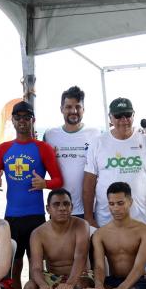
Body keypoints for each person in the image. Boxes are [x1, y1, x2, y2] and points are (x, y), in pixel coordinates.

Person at [0, 101, 63, 289]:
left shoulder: (43, 148)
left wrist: (44, 184)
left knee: (36, 268)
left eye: (26, 117)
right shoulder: (3, 149)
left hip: (36, 217)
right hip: (12, 217)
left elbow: (58, 181)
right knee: (13, 267)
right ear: (12, 120)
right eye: (18, 117)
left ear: (33, 120)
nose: (22, 121)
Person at [82, 97, 146, 236]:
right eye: (118, 116)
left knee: (143, 258)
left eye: (127, 115)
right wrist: (89, 218)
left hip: (139, 222)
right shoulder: (98, 143)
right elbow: (88, 185)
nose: (123, 120)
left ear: (133, 115)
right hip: (105, 223)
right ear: (110, 118)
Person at [86, 182, 146, 289]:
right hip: (113, 280)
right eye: (111, 204)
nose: (116, 208)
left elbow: (139, 267)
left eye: (120, 203)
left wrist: (122, 288)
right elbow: (99, 266)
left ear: (130, 202)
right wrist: (98, 284)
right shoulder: (100, 234)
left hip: (138, 281)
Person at [23, 188, 93, 289]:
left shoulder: (81, 225)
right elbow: (36, 268)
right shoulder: (38, 233)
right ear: (48, 209)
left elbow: (81, 257)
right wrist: (43, 285)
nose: (62, 208)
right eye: (56, 204)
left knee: (79, 285)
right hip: (53, 276)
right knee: (29, 288)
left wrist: (70, 283)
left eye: (66, 204)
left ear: (72, 207)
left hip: (81, 275)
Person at [42, 85, 100, 219]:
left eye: (78, 107)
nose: (73, 111)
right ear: (61, 109)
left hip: (88, 209)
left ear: (83, 109)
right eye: (68, 107)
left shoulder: (95, 134)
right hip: (58, 208)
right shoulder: (50, 135)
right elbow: (39, 162)